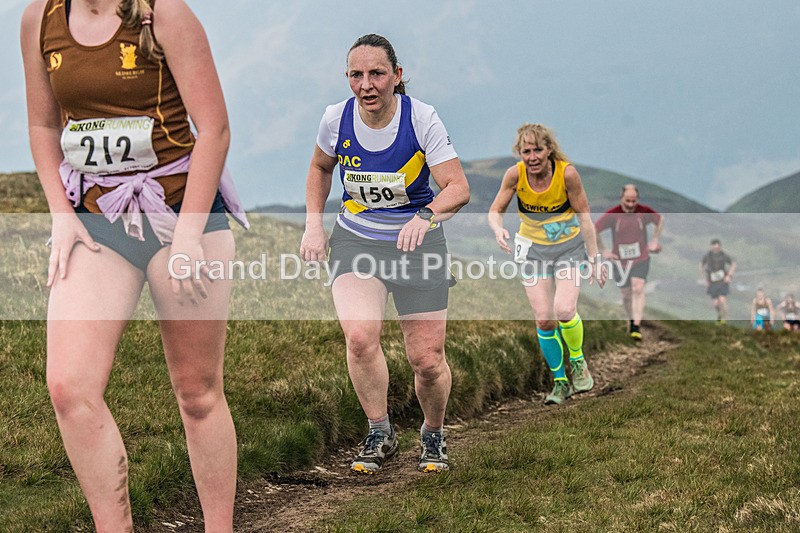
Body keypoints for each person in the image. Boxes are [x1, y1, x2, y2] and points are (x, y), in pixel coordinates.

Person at [21, 0, 248, 529]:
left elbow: (214, 129)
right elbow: (42, 125)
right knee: (69, 388)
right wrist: (61, 215)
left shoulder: (164, 13)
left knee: (197, 393)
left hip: (182, 214)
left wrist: (187, 236)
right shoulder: (40, 18)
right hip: (98, 217)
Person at [300, 34, 470, 474]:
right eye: (356, 75)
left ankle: (433, 433)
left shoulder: (421, 119)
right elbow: (320, 167)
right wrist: (314, 225)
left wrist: (425, 216)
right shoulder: (336, 119)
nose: (366, 85)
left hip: (417, 246)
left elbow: (458, 188)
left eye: (376, 73)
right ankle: (380, 431)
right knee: (359, 338)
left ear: (397, 75)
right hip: (356, 241)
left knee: (427, 361)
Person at [488, 124, 606, 406]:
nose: (532, 157)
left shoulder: (567, 174)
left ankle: (577, 361)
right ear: (520, 153)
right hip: (533, 251)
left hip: (569, 249)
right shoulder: (515, 175)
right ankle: (560, 381)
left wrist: (595, 258)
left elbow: (585, 217)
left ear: (549, 149)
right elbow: (495, 210)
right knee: (544, 319)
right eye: (526, 151)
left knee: (564, 310)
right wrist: (498, 229)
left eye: (538, 150)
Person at [595, 185, 664, 340]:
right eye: (627, 201)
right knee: (626, 295)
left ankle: (636, 326)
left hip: (640, 259)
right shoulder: (613, 214)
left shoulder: (643, 211)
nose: (631, 205)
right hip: (620, 262)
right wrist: (603, 250)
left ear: (637, 199)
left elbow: (660, 220)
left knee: (638, 288)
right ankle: (631, 318)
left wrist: (654, 240)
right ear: (621, 199)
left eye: (634, 201)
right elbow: (594, 229)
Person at [699, 239, 736, 324]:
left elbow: (733, 264)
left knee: (722, 300)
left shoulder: (724, 255)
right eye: (714, 248)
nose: (715, 250)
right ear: (711, 247)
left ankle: (724, 319)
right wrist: (704, 279)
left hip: (722, 282)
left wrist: (729, 275)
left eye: (717, 248)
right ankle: (720, 315)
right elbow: (701, 264)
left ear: (720, 247)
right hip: (712, 282)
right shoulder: (707, 256)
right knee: (715, 304)